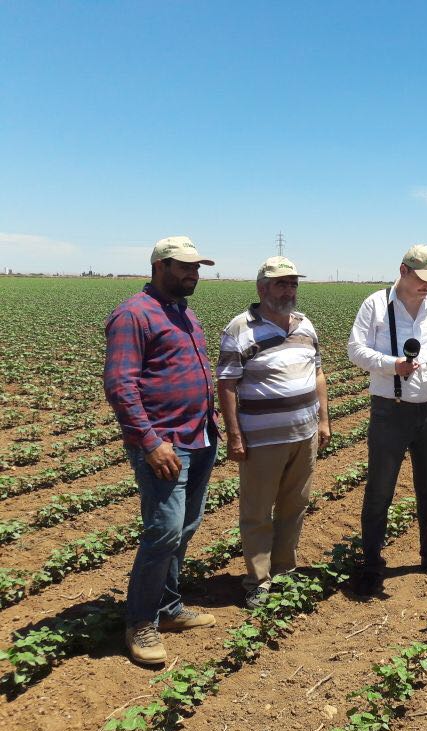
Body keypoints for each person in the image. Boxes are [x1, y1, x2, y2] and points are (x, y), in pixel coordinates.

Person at [104, 236, 219, 666]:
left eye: (196, 268)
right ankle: (140, 621)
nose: (193, 274)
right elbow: (120, 385)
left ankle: (168, 607)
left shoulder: (182, 311)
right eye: (184, 267)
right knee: (165, 529)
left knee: (186, 526)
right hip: (165, 444)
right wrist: (150, 442)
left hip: (199, 436)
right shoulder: (134, 313)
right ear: (159, 266)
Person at [347, 244, 427, 596]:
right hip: (391, 409)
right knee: (380, 489)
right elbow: (355, 350)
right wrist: (391, 365)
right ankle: (371, 563)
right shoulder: (375, 305)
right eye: (421, 279)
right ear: (403, 271)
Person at [216, 257, 331, 610]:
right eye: (281, 284)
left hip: (304, 434)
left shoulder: (305, 324)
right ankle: (258, 581)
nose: (289, 290)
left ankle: (284, 570)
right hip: (262, 439)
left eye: (293, 283)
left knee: (294, 506)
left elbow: (318, 374)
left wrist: (324, 421)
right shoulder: (240, 328)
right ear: (262, 288)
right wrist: (235, 435)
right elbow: (227, 384)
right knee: (257, 511)